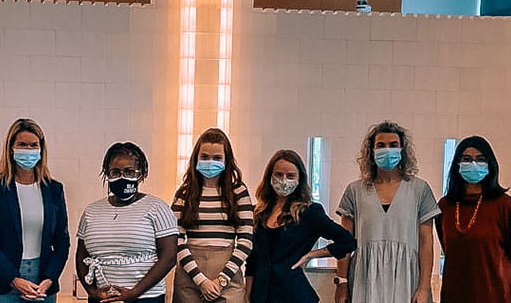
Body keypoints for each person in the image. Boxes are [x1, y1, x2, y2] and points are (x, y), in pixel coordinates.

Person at [335, 121, 439, 303]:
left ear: (402, 150)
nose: (387, 150)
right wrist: (342, 283)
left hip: (407, 278)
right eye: (381, 145)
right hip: (364, 278)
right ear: (372, 151)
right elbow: (343, 242)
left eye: (393, 145)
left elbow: (426, 242)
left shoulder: (420, 190)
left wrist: (424, 287)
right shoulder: (355, 191)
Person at [244, 149, 355, 303]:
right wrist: (247, 294)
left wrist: (311, 255)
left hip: (294, 294)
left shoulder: (309, 212)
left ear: (299, 179)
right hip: (260, 294)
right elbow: (252, 260)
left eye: (290, 176)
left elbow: (347, 242)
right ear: (270, 176)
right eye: (278, 174)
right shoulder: (258, 213)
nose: (283, 180)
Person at [0, 118, 69, 302]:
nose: (28, 149)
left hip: (43, 283)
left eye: (33, 145)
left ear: (41, 149)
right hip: (5, 282)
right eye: (22, 144)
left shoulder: (54, 189)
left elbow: (62, 240)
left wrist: (50, 278)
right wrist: (14, 279)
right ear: (11, 148)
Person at [76, 142, 178, 303]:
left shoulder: (158, 208)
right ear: (107, 174)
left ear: (141, 174)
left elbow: (169, 257)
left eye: (129, 172)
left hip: (145, 298)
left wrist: (134, 293)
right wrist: (93, 292)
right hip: (102, 298)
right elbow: (81, 257)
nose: (122, 177)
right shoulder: (91, 211)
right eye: (115, 172)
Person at [171, 128, 253, 302]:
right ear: (196, 158)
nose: (210, 162)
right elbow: (175, 238)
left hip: (228, 273)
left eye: (217, 158)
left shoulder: (238, 191)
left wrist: (221, 280)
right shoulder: (184, 193)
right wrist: (200, 280)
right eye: (205, 157)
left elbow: (246, 240)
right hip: (190, 273)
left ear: (226, 160)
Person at [436, 136, 511, 303]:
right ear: (457, 164)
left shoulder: (504, 205)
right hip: (454, 294)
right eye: (466, 159)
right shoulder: (445, 206)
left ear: (490, 164)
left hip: (494, 295)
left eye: (480, 159)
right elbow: (448, 247)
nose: (474, 164)